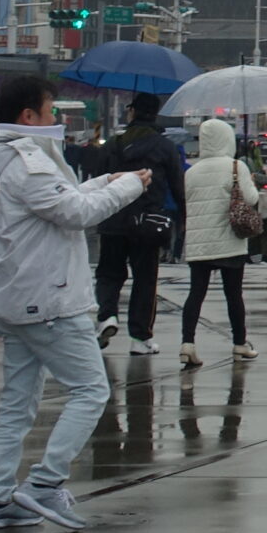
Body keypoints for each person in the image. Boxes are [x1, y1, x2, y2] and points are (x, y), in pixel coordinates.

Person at [0, 76, 148, 531]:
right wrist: (128, 189)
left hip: (15, 299)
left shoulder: (1, 158)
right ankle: (44, 484)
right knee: (91, 390)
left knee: (17, 402)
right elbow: (76, 214)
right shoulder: (30, 162)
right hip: (48, 299)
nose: (58, 121)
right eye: (51, 112)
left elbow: (60, 204)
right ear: (29, 117)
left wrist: (106, 180)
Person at [93, 94, 183, 355]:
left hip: (112, 218)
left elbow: (98, 177)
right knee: (145, 279)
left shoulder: (113, 143)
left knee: (109, 273)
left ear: (132, 112)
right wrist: (183, 220)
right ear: (155, 114)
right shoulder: (165, 147)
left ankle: (107, 316)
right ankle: (140, 337)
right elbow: (178, 186)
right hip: (147, 222)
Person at [176, 118, 260, 368]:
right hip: (229, 242)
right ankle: (239, 343)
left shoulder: (191, 171)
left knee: (196, 294)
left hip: (199, 243)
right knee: (233, 295)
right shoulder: (236, 167)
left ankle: (187, 344)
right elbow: (252, 198)